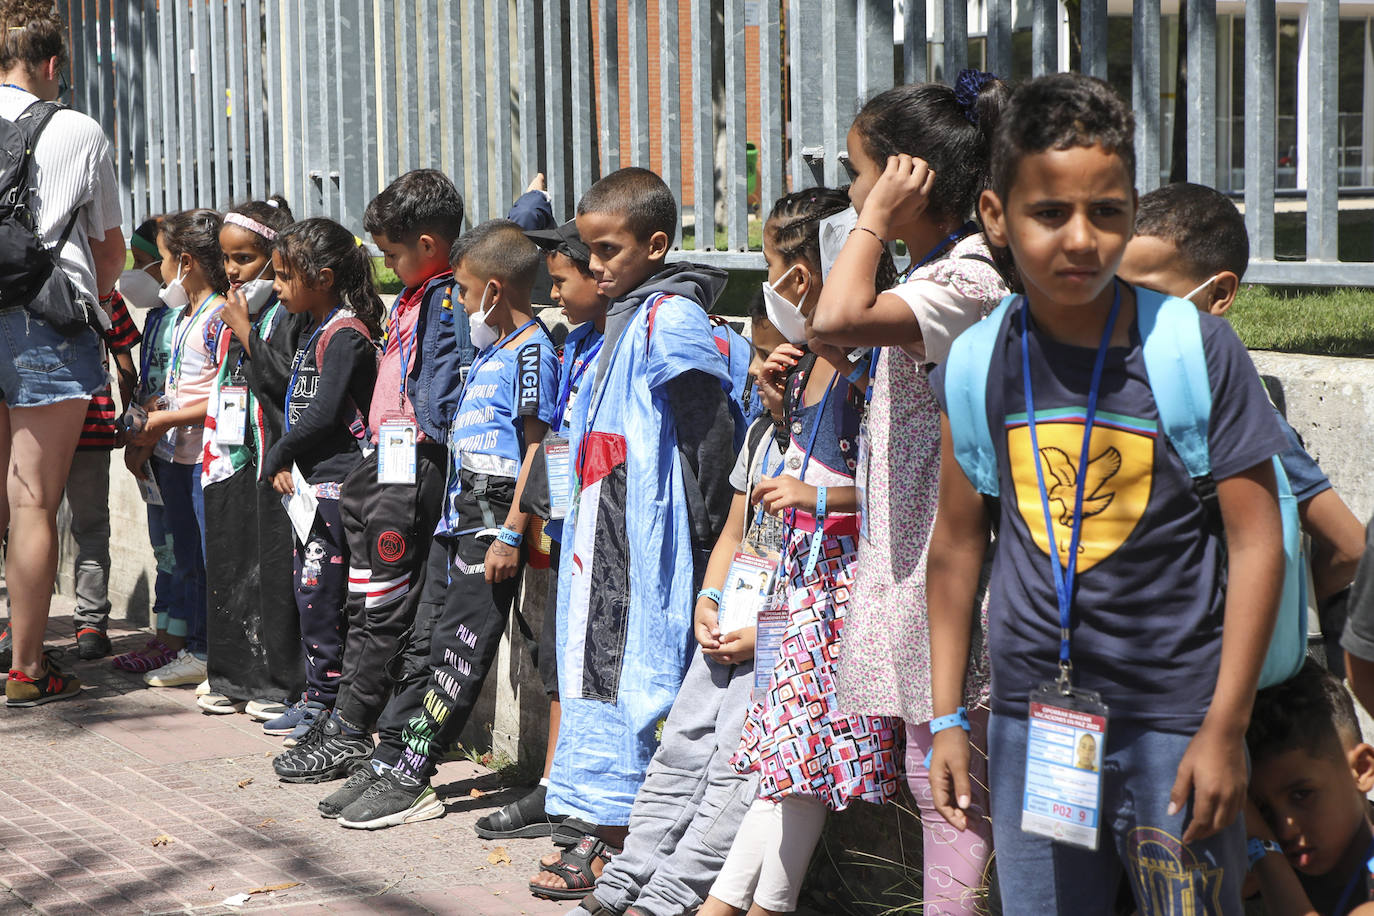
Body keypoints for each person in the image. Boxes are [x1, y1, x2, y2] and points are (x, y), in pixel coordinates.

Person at [924, 73, 1288, 914]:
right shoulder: (979, 362)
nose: (1082, 239)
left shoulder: (1192, 350)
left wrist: (1226, 727)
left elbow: (1257, 539)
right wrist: (948, 718)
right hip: (1033, 723)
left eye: (1109, 211)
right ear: (995, 217)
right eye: (1050, 213)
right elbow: (954, 546)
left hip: (1178, 723)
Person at [571, 195, 846, 916]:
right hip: (728, 614)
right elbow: (734, 527)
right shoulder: (765, 434)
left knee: (734, 763)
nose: (763, 372)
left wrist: (762, 625)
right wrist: (708, 596)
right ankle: (628, 878)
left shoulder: (846, 411)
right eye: (757, 359)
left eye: (783, 273)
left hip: (784, 627)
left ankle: (673, 894)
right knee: (681, 749)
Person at [807, 71, 1013, 914]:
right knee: (941, 774)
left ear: (906, 176)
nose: (851, 193)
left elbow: (836, 318)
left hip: (954, 568)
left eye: (861, 172)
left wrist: (871, 223)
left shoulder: (964, 281)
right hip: (920, 558)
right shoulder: (935, 273)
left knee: (952, 785)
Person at [531, 167, 737, 895]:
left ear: (655, 245)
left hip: (644, 545)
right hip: (599, 540)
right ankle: (596, 829)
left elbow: (708, 434)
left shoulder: (669, 320)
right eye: (588, 251)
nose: (594, 266)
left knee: (637, 685)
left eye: (609, 250)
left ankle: (624, 842)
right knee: (599, 683)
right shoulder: (612, 322)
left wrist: (712, 542)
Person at [698, 189, 899, 916]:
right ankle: (729, 905)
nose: (771, 283)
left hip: (838, 587)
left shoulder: (869, 362)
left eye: (776, 266)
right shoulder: (813, 358)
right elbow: (806, 459)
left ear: (807, 275)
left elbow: (895, 486)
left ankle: (752, 907)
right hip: (799, 582)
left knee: (801, 766)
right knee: (784, 761)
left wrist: (817, 502)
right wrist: (780, 407)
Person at [322, 219, 560, 828]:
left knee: (460, 650)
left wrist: (509, 531)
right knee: (424, 641)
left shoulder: (533, 350)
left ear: (496, 290)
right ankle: (394, 753)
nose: (454, 299)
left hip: (490, 528)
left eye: (462, 288)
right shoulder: (489, 352)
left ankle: (416, 775)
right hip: (455, 522)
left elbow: (536, 448)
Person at [1116, 182, 1366, 676]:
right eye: (1115, 292)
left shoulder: (1231, 405)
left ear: (1220, 293)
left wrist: (1290, 595)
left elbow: (1350, 546)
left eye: (1148, 297)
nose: (1126, 314)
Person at [0, 3, 126, 706]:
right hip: (44, 327)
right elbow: (109, 251)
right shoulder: (77, 128)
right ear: (51, 66)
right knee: (34, 501)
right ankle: (28, 669)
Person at [476, 217, 608, 843]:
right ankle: (555, 785)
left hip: (606, 531)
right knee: (557, 661)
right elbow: (554, 445)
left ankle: (576, 792)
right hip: (563, 528)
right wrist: (537, 526)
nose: (554, 295)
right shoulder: (573, 345)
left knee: (587, 665)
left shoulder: (618, 342)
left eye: (562, 281)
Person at [251, 218, 380, 769]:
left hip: (340, 489)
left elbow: (325, 415)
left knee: (325, 598)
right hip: (314, 489)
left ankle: (329, 706)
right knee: (310, 593)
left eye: (283, 277)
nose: (275, 287)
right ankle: (315, 697)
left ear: (322, 278)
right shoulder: (316, 328)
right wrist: (288, 459)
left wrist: (280, 452)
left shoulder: (347, 334)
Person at [195, 196, 304, 716]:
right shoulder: (235, 309)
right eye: (227, 260)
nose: (233, 272)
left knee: (272, 572)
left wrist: (243, 329)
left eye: (244, 259)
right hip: (231, 459)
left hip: (272, 462)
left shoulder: (286, 314)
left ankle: (275, 683)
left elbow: (286, 382)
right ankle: (232, 678)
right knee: (230, 563)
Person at [127, 209, 229, 690]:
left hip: (203, 463)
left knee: (207, 562)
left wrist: (167, 418)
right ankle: (195, 646)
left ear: (185, 262)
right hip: (170, 458)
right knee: (185, 558)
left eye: (163, 259)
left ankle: (210, 651)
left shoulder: (217, 317)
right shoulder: (181, 316)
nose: (160, 270)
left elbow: (227, 393)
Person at [1244, 660, 1374, 915]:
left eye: (1301, 795)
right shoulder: (1257, 878)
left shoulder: (1268, 862)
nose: (1284, 829)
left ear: (1361, 769)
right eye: (1262, 810)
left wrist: (1260, 845)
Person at [113, 217, 182, 675]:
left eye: (143, 263)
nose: (135, 274)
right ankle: (164, 636)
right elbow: (143, 383)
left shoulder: (196, 315)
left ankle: (182, 639)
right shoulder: (157, 314)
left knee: (182, 548)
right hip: (151, 451)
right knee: (163, 546)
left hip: (180, 448)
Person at [56, 286, 141, 662]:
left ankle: (20, 629)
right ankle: (90, 626)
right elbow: (126, 366)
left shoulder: (18, 286)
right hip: (92, 423)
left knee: (27, 524)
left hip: (33, 425)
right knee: (91, 527)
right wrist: (127, 420)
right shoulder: (102, 293)